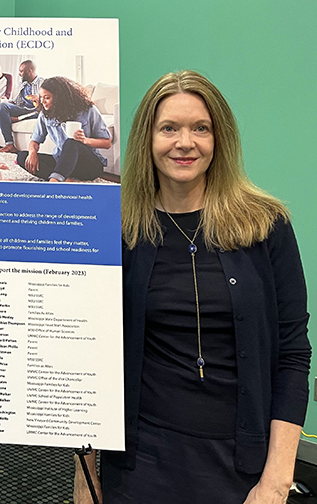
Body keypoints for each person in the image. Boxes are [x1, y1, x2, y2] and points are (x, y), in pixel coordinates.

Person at [74, 70, 310, 503]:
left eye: (200, 128)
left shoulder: (266, 224)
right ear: (148, 138)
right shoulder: (118, 229)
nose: (185, 142)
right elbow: (91, 361)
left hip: (241, 467)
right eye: (169, 128)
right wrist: (85, 477)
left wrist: (277, 480)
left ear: (219, 138)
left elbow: (293, 355)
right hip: (139, 464)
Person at [17, 76, 111, 182]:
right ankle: (64, 179)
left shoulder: (88, 110)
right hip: (62, 162)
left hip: (88, 165)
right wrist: (32, 152)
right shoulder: (45, 114)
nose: (42, 101)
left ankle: (55, 181)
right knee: (22, 157)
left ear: (59, 98)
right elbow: (34, 140)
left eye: (47, 98)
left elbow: (107, 143)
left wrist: (85, 140)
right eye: (41, 97)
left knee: (71, 143)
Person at [0, 60, 43, 154]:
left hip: (36, 110)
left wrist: (39, 99)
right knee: (2, 106)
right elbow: (18, 102)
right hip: (23, 109)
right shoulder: (23, 84)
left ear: (29, 71)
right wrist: (7, 102)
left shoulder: (43, 83)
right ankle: (9, 144)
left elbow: (47, 106)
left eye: (21, 71)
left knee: (40, 113)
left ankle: (18, 118)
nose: (19, 74)